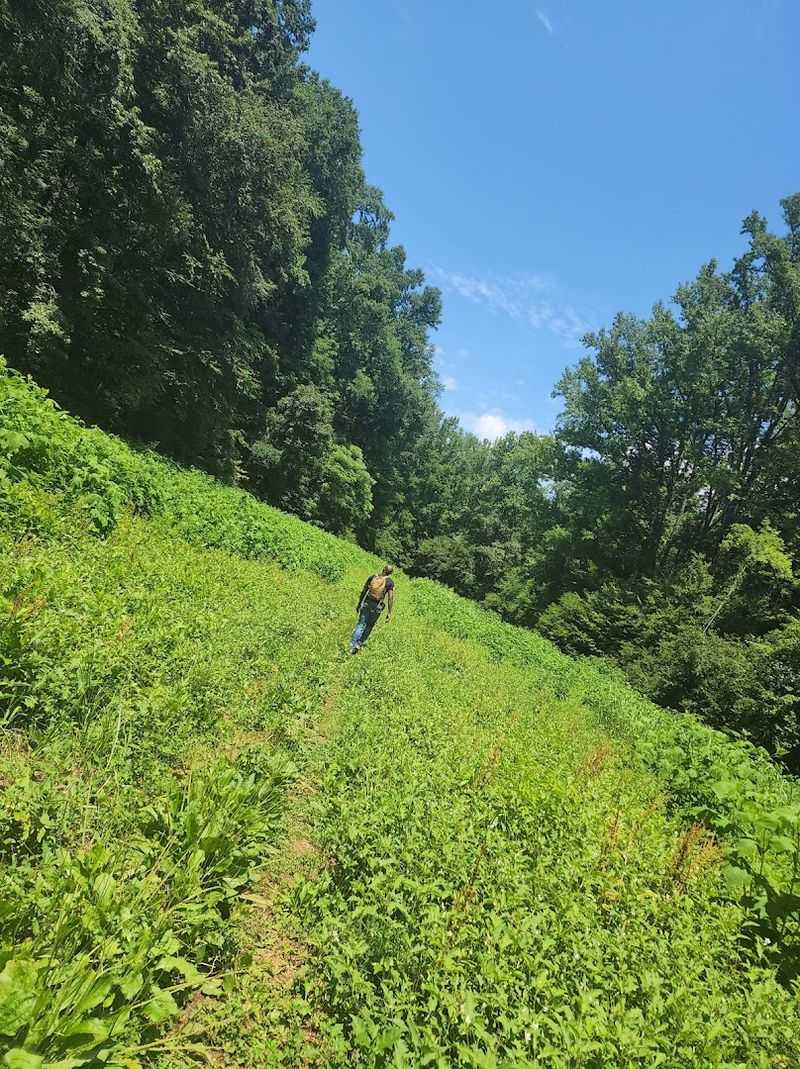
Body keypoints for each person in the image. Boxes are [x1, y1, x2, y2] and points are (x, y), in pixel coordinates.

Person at [350, 564, 395, 654]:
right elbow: (390, 597)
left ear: (383, 569)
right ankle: (359, 644)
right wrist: (389, 612)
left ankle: (351, 646)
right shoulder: (390, 582)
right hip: (377, 606)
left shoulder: (373, 577)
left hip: (367, 602)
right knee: (369, 625)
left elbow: (364, 590)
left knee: (361, 624)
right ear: (390, 573)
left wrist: (359, 603)